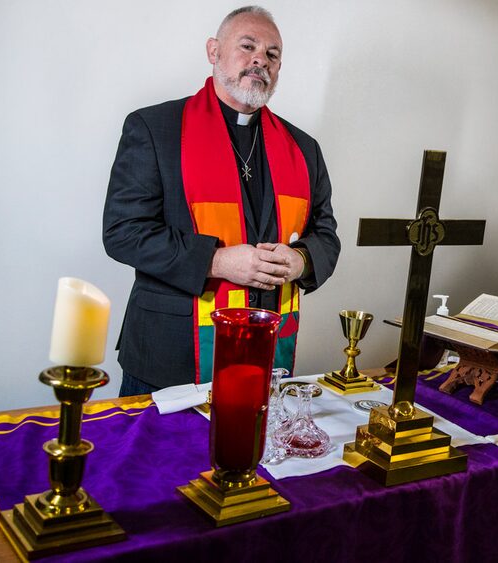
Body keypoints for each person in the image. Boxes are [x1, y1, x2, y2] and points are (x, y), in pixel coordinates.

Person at [103, 6, 340, 396]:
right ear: (213, 50)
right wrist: (217, 261)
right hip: (168, 357)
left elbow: (326, 236)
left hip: (264, 352)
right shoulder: (154, 128)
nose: (260, 59)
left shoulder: (302, 149)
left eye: (272, 54)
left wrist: (300, 260)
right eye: (247, 46)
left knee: (251, 458)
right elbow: (122, 232)